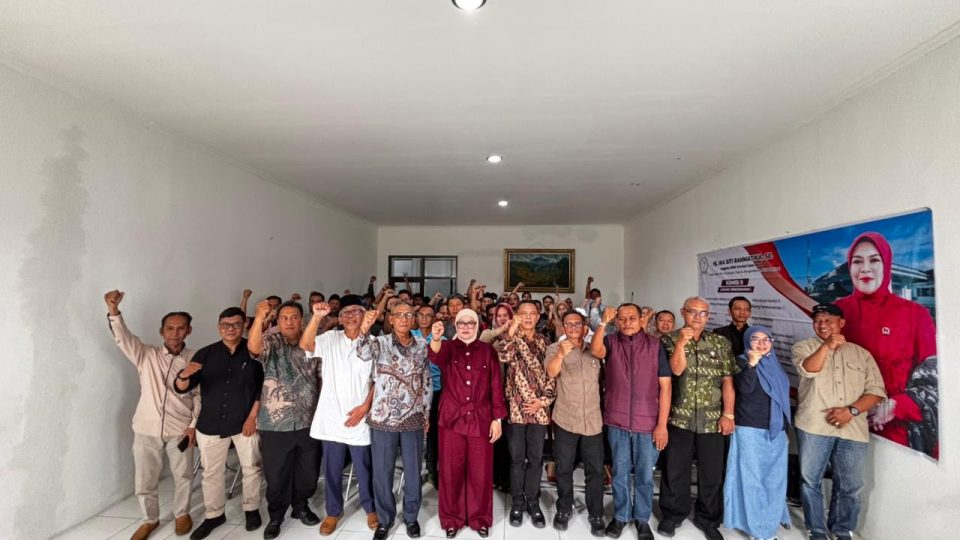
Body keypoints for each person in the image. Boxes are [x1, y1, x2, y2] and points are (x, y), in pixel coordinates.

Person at [103, 291, 199, 540]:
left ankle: (182, 514)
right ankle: (149, 519)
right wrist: (114, 310)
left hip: (180, 429)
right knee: (144, 480)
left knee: (183, 476)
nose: (175, 333)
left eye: (180, 328)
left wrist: (193, 425)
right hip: (146, 428)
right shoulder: (145, 354)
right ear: (161, 332)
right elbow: (123, 337)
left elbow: (200, 396)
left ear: (189, 331)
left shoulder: (195, 359)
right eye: (170, 328)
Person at [833, 232, 938, 457]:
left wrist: (895, 406)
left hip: (896, 435)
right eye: (857, 262)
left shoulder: (915, 314)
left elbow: (934, 382)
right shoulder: (837, 311)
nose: (865, 269)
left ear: (886, 264)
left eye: (874, 260)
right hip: (844, 424)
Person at [791, 304, 886, 540]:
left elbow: (876, 391)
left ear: (841, 323)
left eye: (828, 320)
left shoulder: (861, 354)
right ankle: (816, 529)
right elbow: (809, 369)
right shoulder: (803, 347)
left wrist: (851, 411)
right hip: (814, 426)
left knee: (851, 485)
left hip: (852, 429)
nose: (822, 325)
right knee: (810, 481)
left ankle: (842, 529)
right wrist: (827, 346)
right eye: (817, 321)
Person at [174, 307, 264, 540]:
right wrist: (183, 375)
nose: (230, 329)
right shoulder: (205, 354)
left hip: (245, 422)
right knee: (211, 473)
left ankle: (251, 509)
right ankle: (214, 515)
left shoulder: (254, 352)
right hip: (210, 423)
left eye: (236, 324)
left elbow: (261, 388)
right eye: (225, 325)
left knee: (251, 468)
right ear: (218, 327)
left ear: (244, 325)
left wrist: (252, 417)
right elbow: (183, 387)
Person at [658, 296, 737, 540]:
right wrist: (682, 343)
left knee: (712, 473)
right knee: (675, 470)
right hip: (679, 418)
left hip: (712, 419)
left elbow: (728, 381)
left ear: (708, 316)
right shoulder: (668, 340)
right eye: (692, 311)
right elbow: (676, 370)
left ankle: (708, 519)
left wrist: (728, 414)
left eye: (703, 313)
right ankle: (673, 515)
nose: (697, 317)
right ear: (683, 312)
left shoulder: (720, 342)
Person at [300, 295, 378, 536]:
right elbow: (306, 345)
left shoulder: (374, 342)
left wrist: (365, 407)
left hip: (360, 416)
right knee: (332, 468)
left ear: (365, 315)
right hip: (332, 415)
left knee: (365, 467)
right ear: (340, 318)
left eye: (357, 311)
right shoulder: (330, 338)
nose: (352, 316)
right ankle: (333, 511)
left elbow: (378, 379)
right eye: (346, 312)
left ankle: (370, 508)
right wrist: (316, 318)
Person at [590, 304, 670, 540]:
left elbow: (666, 387)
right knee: (620, 473)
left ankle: (642, 518)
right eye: (622, 319)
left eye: (632, 318)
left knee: (645, 476)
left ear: (640, 319)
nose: (627, 323)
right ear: (617, 321)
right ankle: (621, 515)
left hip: (648, 422)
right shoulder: (611, 341)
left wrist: (662, 425)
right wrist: (603, 323)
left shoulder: (655, 345)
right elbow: (595, 351)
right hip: (617, 420)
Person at [428, 310, 507, 539]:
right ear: (455, 325)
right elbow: (435, 356)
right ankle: (451, 519)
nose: (465, 327)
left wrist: (497, 419)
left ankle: (480, 518)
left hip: (481, 419)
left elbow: (496, 386)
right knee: (450, 471)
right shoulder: (448, 348)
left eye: (470, 323)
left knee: (480, 472)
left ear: (477, 326)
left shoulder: (488, 351)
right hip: (451, 418)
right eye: (461, 323)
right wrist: (435, 337)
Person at [357, 302, 433, 539]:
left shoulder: (421, 345)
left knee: (413, 470)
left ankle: (411, 517)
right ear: (390, 319)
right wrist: (364, 329)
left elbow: (426, 381)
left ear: (413, 319)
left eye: (408, 315)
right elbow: (362, 353)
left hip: (413, 417)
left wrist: (426, 412)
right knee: (382, 471)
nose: (403, 318)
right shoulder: (380, 342)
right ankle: (385, 519)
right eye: (399, 315)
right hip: (384, 418)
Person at [248, 299, 322, 539]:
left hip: (308, 420)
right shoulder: (271, 342)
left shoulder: (313, 343)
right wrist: (259, 318)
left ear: (302, 320)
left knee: (308, 470)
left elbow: (322, 377)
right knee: (276, 473)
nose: (289, 322)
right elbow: (254, 348)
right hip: (275, 422)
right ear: (278, 322)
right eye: (284, 318)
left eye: (294, 317)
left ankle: (300, 506)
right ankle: (276, 515)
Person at [723, 326, 791, 540]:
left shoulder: (775, 365)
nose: (761, 344)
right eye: (755, 339)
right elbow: (744, 389)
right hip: (750, 429)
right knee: (752, 480)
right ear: (747, 342)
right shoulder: (741, 361)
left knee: (774, 479)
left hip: (776, 430)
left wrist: (783, 427)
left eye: (766, 339)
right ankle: (758, 528)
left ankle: (771, 518)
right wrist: (751, 365)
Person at [494, 300, 556, 529]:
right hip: (516, 409)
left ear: (538, 316)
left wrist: (543, 401)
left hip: (538, 410)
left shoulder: (545, 342)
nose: (528, 317)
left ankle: (533, 501)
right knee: (517, 459)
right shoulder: (509, 338)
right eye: (523, 313)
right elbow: (504, 356)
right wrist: (511, 329)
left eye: (532, 313)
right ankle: (517, 503)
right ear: (517, 316)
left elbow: (552, 375)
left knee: (536, 459)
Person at [544, 311, 606, 536]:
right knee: (564, 467)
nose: (572, 328)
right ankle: (564, 509)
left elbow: (602, 369)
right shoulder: (554, 348)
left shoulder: (594, 349)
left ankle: (596, 513)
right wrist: (561, 354)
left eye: (576, 324)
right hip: (566, 419)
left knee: (595, 470)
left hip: (592, 420)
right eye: (568, 324)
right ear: (563, 327)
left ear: (584, 326)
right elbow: (551, 372)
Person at [412, 304, 443, 486]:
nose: (424, 318)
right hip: (412, 392)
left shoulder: (441, 338)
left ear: (434, 319)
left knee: (432, 433)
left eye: (428, 315)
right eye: (421, 315)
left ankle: (432, 469)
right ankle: (414, 471)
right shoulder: (409, 335)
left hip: (435, 390)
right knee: (413, 432)